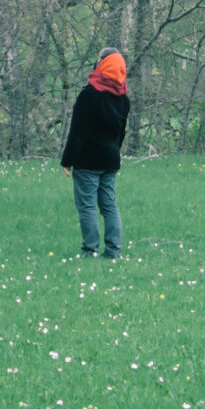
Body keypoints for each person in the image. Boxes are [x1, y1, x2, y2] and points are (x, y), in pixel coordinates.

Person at [61, 47, 129, 258]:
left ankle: (90, 249)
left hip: (88, 160)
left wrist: (67, 160)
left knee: (87, 206)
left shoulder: (89, 95)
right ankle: (113, 251)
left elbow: (78, 132)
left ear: (103, 63)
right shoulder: (123, 98)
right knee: (109, 206)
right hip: (110, 159)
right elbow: (121, 133)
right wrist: (113, 153)